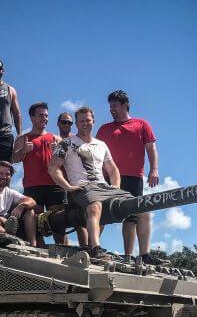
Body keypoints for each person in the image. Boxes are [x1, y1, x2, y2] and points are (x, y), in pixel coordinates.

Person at [48, 106, 134, 260]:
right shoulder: (67, 143)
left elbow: (113, 170)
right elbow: (53, 168)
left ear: (93, 121)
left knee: (137, 205)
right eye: (81, 121)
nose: (85, 123)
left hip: (103, 186)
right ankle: (96, 248)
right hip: (82, 187)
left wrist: (115, 187)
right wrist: (68, 187)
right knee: (95, 206)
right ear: (76, 124)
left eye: (87, 120)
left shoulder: (101, 145)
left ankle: (139, 253)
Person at [96, 90, 159, 263]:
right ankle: (93, 247)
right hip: (108, 178)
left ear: (125, 105)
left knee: (132, 217)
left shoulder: (141, 124)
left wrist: (154, 170)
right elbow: (96, 153)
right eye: (110, 107)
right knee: (100, 212)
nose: (111, 109)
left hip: (134, 177)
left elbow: (151, 149)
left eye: (114, 106)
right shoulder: (104, 129)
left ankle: (130, 256)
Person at [12, 102, 66, 244]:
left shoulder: (56, 139)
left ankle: (63, 255)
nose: (45, 118)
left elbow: (66, 163)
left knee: (59, 225)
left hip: (54, 186)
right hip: (33, 187)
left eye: (46, 116)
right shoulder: (23, 139)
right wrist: (23, 150)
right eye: (41, 115)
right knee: (36, 226)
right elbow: (13, 159)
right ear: (32, 117)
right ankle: (39, 254)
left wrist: (58, 151)